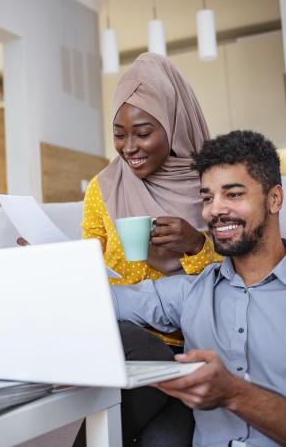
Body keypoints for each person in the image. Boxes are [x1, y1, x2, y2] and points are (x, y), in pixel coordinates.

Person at [74, 53, 222, 447]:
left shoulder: (214, 185)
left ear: (173, 124)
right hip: (125, 334)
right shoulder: (102, 188)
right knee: (147, 355)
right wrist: (51, 262)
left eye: (142, 132)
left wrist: (196, 245)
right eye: (119, 133)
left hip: (191, 340)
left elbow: (241, 277)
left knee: (168, 440)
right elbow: (90, 268)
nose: (129, 147)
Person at [112, 130, 286, 446]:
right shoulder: (192, 292)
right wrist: (52, 262)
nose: (214, 211)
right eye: (207, 197)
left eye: (233, 194)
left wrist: (233, 393)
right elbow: (99, 301)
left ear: (274, 198)